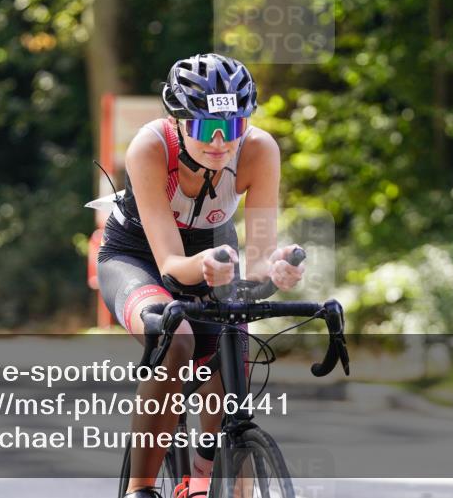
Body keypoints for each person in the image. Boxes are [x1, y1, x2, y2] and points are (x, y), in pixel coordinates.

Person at [97, 53, 304, 498]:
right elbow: (172, 264)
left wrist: (278, 265)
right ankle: (142, 488)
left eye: (232, 128)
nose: (219, 143)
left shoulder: (260, 149)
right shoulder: (150, 147)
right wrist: (207, 265)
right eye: (205, 127)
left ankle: (207, 475)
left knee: (234, 347)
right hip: (138, 256)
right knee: (179, 338)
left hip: (214, 251)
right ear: (178, 122)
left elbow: (263, 251)